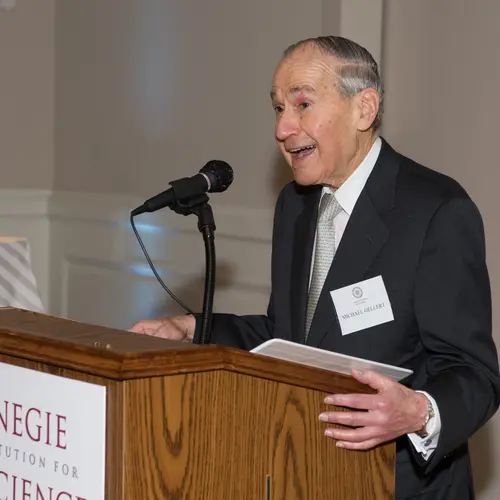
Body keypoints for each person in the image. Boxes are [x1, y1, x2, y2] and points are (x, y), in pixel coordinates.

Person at [130, 36, 500, 499]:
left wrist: (419, 412)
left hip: (399, 483)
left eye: (302, 104)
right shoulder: (296, 206)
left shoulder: (437, 211)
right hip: (305, 472)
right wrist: (192, 329)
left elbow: (474, 374)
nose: (283, 127)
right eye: (278, 108)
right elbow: (291, 336)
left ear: (364, 109)